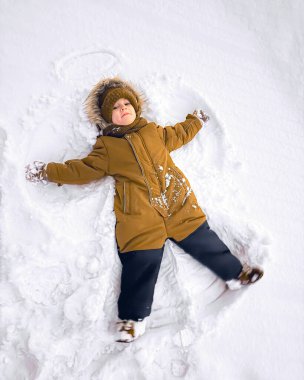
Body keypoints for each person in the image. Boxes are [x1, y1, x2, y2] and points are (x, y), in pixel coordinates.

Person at [25, 76, 264, 343]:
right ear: (108, 117)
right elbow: (80, 170)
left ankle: (236, 274)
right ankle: (132, 320)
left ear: (136, 107)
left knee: (205, 241)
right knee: (140, 265)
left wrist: (195, 121)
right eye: (116, 107)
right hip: (140, 217)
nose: (123, 108)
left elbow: (179, 133)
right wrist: (48, 171)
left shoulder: (153, 132)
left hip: (177, 205)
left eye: (127, 103)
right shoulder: (107, 148)